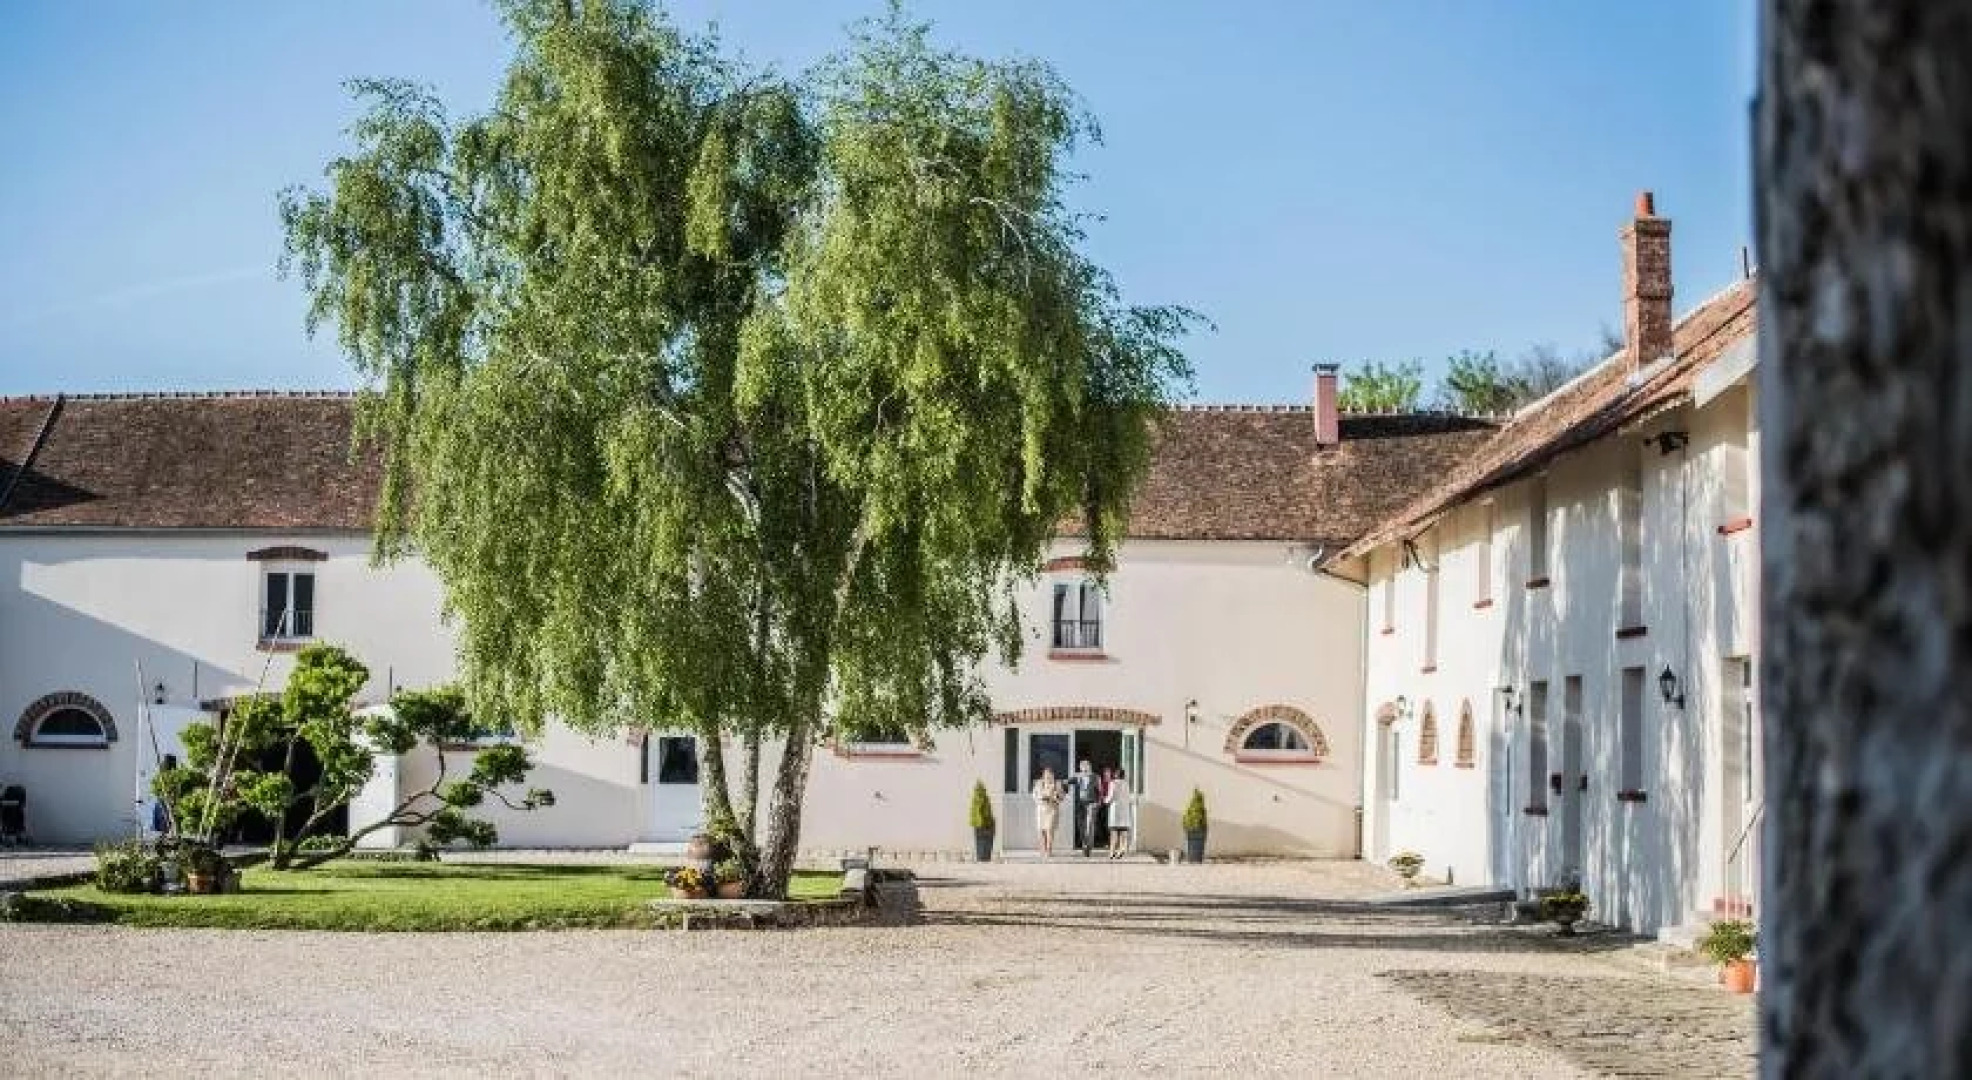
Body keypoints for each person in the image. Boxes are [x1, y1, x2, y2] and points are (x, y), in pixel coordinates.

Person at [1031, 766, 1064, 858]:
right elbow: (1034, 795)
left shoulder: (1057, 784)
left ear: (1053, 775)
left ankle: (1049, 850)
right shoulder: (1039, 783)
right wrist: (1040, 799)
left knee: (1049, 829)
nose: (1048, 776)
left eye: (1050, 774)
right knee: (1042, 830)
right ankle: (1044, 848)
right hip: (1041, 809)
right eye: (1046, 774)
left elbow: (1062, 797)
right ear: (1043, 775)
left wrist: (1055, 797)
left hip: (1052, 809)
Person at [1070, 759, 1101, 856]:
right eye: (1082, 768)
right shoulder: (1078, 776)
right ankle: (1084, 843)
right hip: (1080, 804)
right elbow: (1068, 782)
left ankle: (1088, 847)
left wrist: (1098, 802)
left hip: (1092, 803)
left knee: (1089, 825)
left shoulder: (1096, 777)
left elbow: (1100, 791)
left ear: (1089, 767)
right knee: (1081, 826)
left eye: (1085, 767)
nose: (1083, 770)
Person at [1105, 767, 1136, 859]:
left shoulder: (1113, 783)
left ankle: (1112, 852)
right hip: (1125, 809)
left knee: (1114, 832)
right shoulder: (1126, 784)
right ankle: (1121, 849)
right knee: (1123, 832)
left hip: (1116, 809)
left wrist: (1105, 801)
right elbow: (1128, 796)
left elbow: (1111, 796)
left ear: (1115, 775)